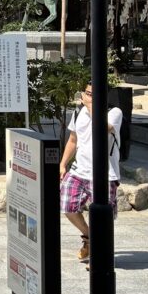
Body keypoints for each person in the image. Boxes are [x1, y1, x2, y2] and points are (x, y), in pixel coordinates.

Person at [59, 81, 123, 267]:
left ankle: (98, 255)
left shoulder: (114, 112)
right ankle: (90, 237)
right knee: (67, 206)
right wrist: (63, 164)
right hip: (79, 170)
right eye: (87, 93)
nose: (89, 97)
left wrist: (91, 106)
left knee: (102, 217)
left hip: (104, 174)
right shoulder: (78, 113)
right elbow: (73, 139)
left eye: (94, 95)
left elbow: (103, 128)